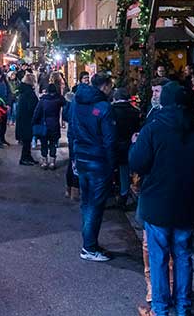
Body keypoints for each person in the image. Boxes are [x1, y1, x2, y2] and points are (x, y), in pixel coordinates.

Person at [130, 82, 194, 316]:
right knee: (183, 254)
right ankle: (183, 307)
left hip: (157, 203)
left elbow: (138, 163)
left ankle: (160, 308)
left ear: (163, 101)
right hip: (188, 203)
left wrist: (136, 145)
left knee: (159, 256)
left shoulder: (153, 129)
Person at [69, 72, 118, 262]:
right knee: (96, 205)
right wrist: (112, 164)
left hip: (81, 158)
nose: (111, 89)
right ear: (104, 86)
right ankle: (89, 247)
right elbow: (109, 140)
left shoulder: (76, 101)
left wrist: (74, 157)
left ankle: (89, 242)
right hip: (98, 161)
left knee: (87, 202)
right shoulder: (104, 107)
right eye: (110, 86)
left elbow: (72, 130)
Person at [112, 87, 141, 210]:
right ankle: (126, 195)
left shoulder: (112, 110)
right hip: (131, 145)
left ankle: (120, 194)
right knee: (128, 171)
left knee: (119, 170)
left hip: (115, 145)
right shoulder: (135, 111)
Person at [33, 83, 64, 169]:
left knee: (44, 144)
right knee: (53, 144)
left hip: (44, 125)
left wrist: (34, 122)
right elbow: (65, 103)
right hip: (54, 125)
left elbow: (36, 113)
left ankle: (44, 161)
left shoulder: (42, 101)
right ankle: (52, 162)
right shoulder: (58, 100)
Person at [16, 73, 39, 166]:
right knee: (26, 140)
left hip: (23, 119)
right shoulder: (28, 93)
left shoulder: (24, 91)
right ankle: (24, 158)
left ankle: (28, 157)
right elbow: (32, 106)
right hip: (27, 120)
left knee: (27, 141)